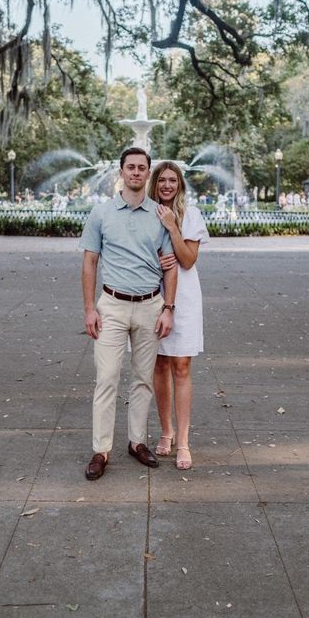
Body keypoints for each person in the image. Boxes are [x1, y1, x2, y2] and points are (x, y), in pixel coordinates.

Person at [79, 147, 178, 480]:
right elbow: (90, 262)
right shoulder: (101, 214)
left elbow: (171, 265)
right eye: (130, 167)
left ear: (147, 173)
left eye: (141, 168)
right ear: (120, 172)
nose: (136, 172)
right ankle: (101, 450)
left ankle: (137, 442)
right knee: (106, 379)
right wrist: (90, 308)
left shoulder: (161, 215)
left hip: (150, 306)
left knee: (142, 380)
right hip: (112, 306)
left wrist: (168, 308)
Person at [148, 161, 209, 470]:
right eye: (162, 180)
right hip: (150, 294)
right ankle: (166, 431)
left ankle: (183, 441)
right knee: (158, 364)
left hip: (183, 297)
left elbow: (187, 261)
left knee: (181, 366)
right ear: (154, 183)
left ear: (180, 185)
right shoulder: (145, 213)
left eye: (173, 180)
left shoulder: (191, 215)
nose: (167, 185)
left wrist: (172, 226)